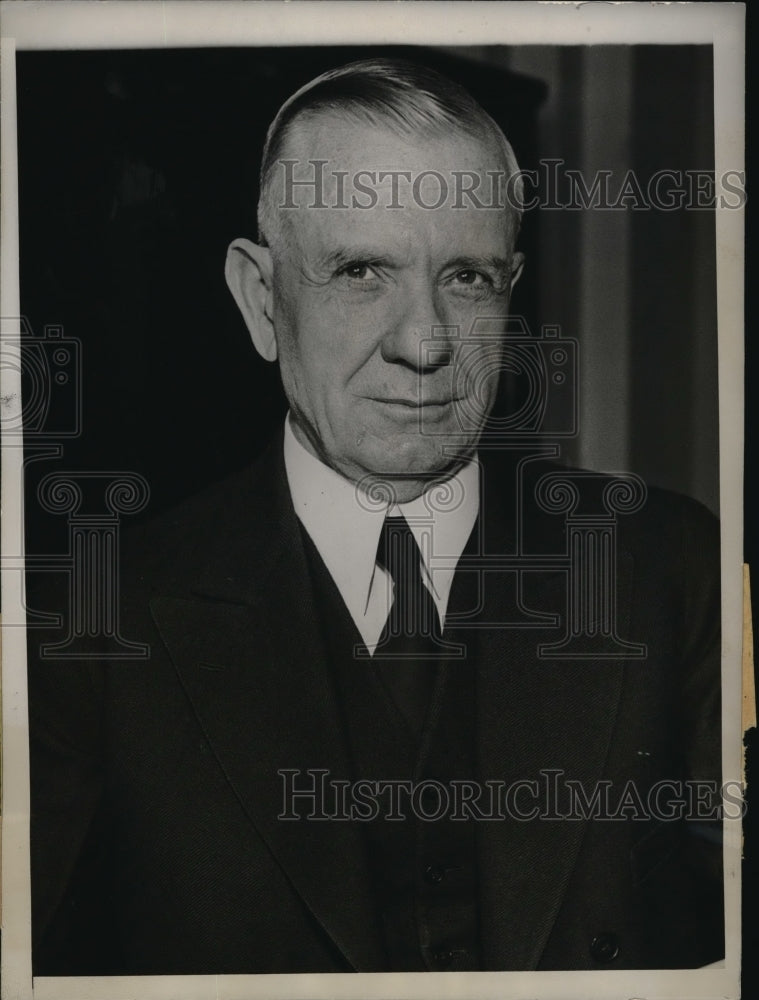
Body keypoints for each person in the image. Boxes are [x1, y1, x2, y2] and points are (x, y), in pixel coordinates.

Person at [27, 57, 723, 975]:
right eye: (362, 271)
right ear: (259, 298)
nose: (423, 341)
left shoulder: (665, 569)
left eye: (467, 278)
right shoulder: (89, 627)